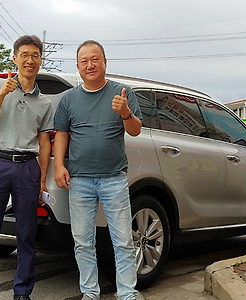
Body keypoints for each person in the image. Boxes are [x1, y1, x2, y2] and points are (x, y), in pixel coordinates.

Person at [53, 40, 145, 300]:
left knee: (124, 240)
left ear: (105, 62)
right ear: (78, 66)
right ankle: (90, 293)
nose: (90, 65)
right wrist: (59, 165)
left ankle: (127, 293)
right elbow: (61, 134)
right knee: (83, 241)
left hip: (114, 179)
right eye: (84, 61)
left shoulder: (121, 93)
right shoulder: (69, 98)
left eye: (95, 59)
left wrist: (126, 113)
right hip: (79, 180)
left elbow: (135, 130)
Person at [0, 35, 54, 300]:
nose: (29, 60)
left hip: (26, 168)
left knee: (27, 232)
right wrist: (2, 94)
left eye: (35, 55)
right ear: (15, 58)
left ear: (40, 60)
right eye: (24, 55)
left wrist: (42, 176)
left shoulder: (44, 103)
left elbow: (44, 143)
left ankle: (22, 292)